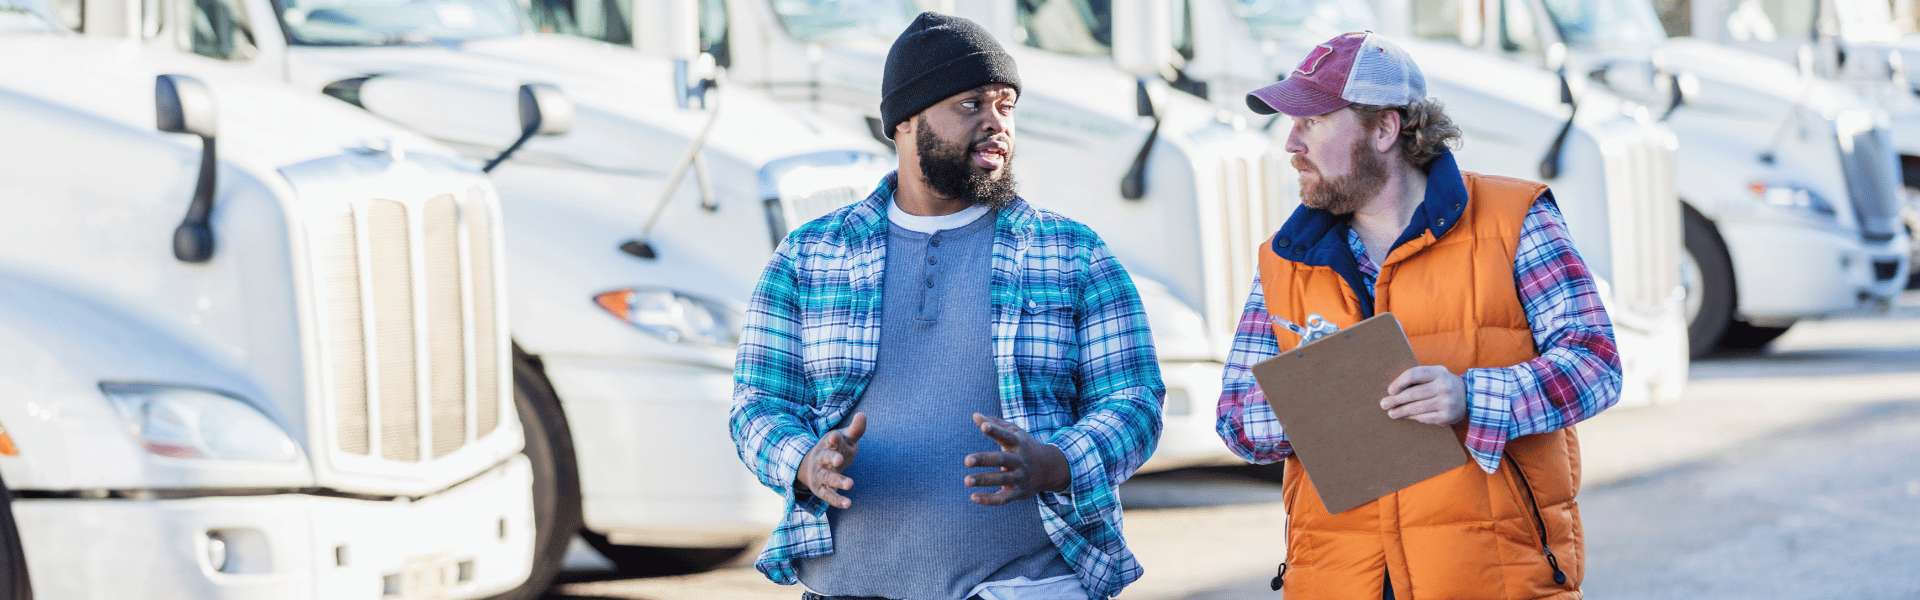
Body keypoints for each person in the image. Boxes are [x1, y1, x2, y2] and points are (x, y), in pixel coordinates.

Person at [728, 12, 1164, 600]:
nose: (996, 124)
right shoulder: (810, 256)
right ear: (904, 122)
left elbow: (1134, 400)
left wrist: (1057, 462)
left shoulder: (1072, 253)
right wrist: (805, 461)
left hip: (1027, 586)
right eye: (971, 105)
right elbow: (757, 404)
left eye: (1006, 106)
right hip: (849, 587)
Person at [1216, 31, 1622, 600]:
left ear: (1385, 128)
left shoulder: (1515, 220)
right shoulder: (1283, 260)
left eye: (1314, 122)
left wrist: (1473, 399)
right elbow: (1236, 419)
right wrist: (1324, 408)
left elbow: (1596, 364)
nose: (1291, 143)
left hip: (1494, 582)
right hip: (1337, 584)